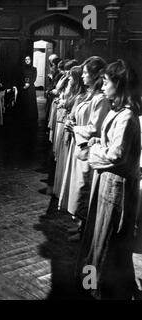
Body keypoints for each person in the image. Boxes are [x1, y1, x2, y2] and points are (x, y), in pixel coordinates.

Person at [77, 60, 141, 299]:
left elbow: (116, 155)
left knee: (107, 240)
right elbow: (112, 147)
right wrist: (99, 143)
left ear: (120, 84)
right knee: (101, 236)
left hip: (118, 188)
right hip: (108, 184)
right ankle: (102, 286)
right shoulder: (116, 111)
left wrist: (93, 151)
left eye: (106, 82)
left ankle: (101, 290)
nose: (102, 86)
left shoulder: (126, 116)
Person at [59, 56, 111, 241]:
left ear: (96, 75)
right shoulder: (89, 95)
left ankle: (86, 230)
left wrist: (76, 128)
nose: (82, 76)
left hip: (88, 149)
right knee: (78, 187)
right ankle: (81, 226)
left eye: (86, 73)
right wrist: (73, 123)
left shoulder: (101, 100)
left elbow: (95, 128)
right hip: (78, 145)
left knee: (84, 187)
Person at [53, 66, 86, 200]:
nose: (69, 78)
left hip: (70, 130)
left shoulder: (79, 96)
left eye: (72, 76)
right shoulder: (74, 93)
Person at [17, 56, 38, 125]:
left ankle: (31, 117)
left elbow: (34, 77)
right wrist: (24, 83)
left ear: (31, 60)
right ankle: (23, 117)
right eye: (26, 59)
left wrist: (29, 84)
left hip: (30, 87)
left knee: (30, 102)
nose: (27, 61)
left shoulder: (34, 69)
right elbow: (20, 77)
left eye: (28, 59)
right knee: (24, 101)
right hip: (23, 87)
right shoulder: (21, 69)